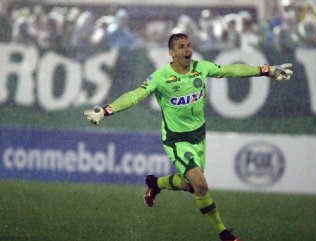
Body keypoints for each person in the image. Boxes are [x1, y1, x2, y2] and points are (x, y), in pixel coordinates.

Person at [84, 33, 293, 241]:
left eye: (189, 45)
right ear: (171, 52)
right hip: (177, 140)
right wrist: (105, 110)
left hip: (199, 137)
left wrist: (267, 70)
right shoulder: (161, 77)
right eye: (181, 46)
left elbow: (232, 70)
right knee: (201, 186)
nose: (187, 50)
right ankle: (224, 233)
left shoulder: (200, 68)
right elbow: (134, 95)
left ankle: (156, 184)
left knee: (192, 185)